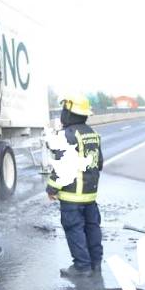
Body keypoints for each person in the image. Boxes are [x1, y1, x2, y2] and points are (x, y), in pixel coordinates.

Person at [46, 94, 104, 278]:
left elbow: (62, 166)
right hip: (90, 195)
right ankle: (95, 264)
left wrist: (51, 188)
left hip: (72, 197)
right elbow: (99, 163)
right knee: (92, 228)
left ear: (69, 113)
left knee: (74, 229)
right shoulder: (93, 134)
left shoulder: (66, 135)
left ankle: (81, 266)